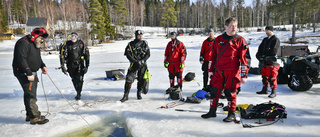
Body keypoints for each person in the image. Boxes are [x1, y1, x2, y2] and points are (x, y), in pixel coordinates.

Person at [201, 18, 249, 122]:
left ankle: (231, 113)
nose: (234, 28)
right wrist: (210, 70)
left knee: (230, 92)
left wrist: (244, 74)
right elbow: (212, 56)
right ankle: (212, 111)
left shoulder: (240, 40)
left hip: (232, 71)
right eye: (231, 26)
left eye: (235, 26)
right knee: (214, 91)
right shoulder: (218, 39)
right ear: (226, 27)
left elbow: (245, 59)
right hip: (218, 71)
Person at [12, 27, 49, 125]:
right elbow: (21, 59)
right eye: (41, 38)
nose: (42, 40)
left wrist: (42, 65)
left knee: (30, 93)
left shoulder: (35, 43)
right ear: (36, 36)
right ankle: (35, 117)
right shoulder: (23, 43)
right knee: (31, 95)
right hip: (23, 73)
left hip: (32, 72)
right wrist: (28, 73)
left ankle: (30, 114)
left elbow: (37, 57)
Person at [120, 30, 150, 102]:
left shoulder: (144, 44)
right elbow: (127, 54)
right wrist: (134, 61)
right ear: (136, 36)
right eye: (139, 36)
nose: (140, 37)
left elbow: (148, 54)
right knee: (129, 79)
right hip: (134, 64)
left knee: (141, 79)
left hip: (143, 64)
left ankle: (139, 93)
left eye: (141, 36)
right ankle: (126, 95)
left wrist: (143, 60)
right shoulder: (131, 44)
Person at [60, 32, 90, 100]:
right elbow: (62, 56)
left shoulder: (81, 44)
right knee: (74, 79)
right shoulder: (66, 44)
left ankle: (79, 93)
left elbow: (87, 55)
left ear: (77, 37)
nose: (73, 39)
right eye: (72, 37)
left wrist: (87, 66)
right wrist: (62, 66)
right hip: (70, 64)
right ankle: (77, 91)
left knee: (80, 79)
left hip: (80, 63)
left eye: (75, 37)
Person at [255, 26, 280, 98]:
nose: (267, 32)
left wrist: (266, 56)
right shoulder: (265, 39)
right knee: (264, 75)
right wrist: (259, 56)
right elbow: (260, 49)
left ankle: (273, 91)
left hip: (270, 61)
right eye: (266, 30)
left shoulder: (275, 39)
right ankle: (264, 89)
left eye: (268, 30)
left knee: (272, 76)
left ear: (271, 31)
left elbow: (274, 50)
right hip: (263, 61)